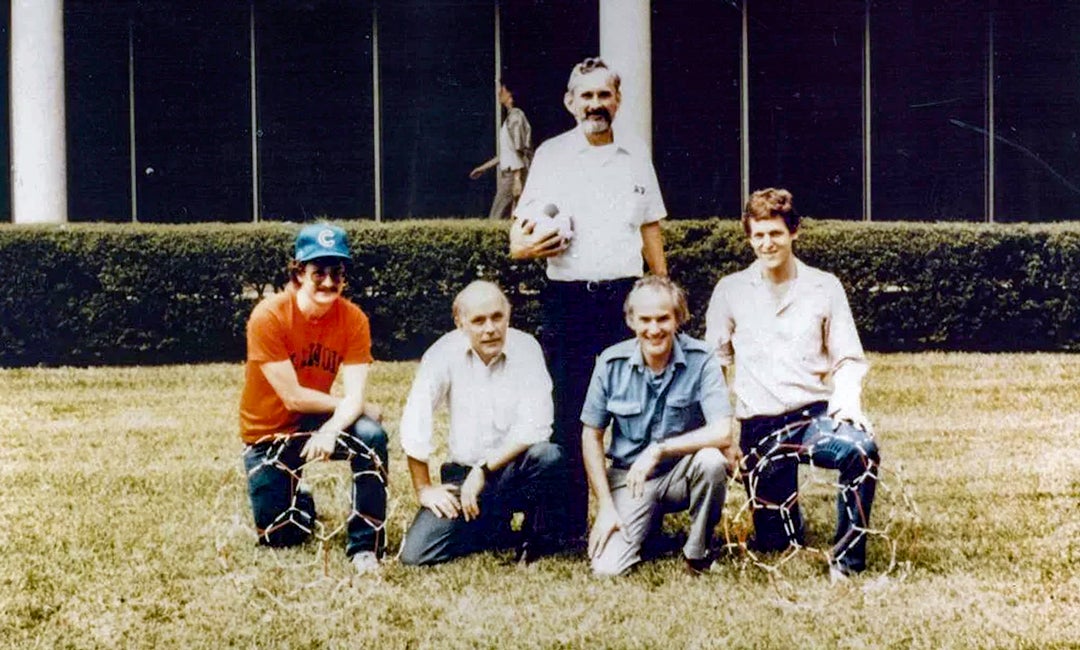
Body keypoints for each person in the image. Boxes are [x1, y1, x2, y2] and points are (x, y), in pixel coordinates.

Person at [508, 57, 668, 544]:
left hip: (624, 297)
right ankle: (565, 523)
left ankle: (638, 515)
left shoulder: (635, 153)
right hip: (568, 299)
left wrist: (662, 287)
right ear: (570, 102)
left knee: (634, 407)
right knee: (571, 408)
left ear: (617, 100)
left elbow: (650, 226)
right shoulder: (551, 155)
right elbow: (519, 235)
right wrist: (528, 246)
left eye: (604, 95)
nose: (596, 104)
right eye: (587, 96)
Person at [704, 188, 881, 580]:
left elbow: (848, 358)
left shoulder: (824, 286)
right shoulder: (730, 290)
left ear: (794, 231)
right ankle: (787, 520)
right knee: (777, 542)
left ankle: (847, 563)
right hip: (760, 428)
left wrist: (848, 404)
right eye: (758, 235)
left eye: (775, 233)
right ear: (749, 238)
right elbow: (713, 367)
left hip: (811, 420)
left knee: (861, 451)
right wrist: (723, 437)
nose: (767, 243)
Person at [239, 223, 389, 575]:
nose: (328, 282)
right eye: (318, 272)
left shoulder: (353, 319)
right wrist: (355, 405)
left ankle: (365, 546)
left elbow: (353, 394)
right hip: (269, 430)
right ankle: (299, 495)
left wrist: (332, 428)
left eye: (336, 273)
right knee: (280, 536)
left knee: (371, 437)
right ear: (298, 274)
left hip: (316, 419)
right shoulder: (269, 316)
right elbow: (292, 398)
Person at [398, 281, 564, 565]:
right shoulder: (443, 353)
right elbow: (416, 419)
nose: (490, 329)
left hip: (513, 471)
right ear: (460, 323)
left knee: (548, 456)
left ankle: (534, 537)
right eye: (478, 321)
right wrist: (424, 488)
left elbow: (537, 425)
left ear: (508, 316)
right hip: (462, 478)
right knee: (417, 554)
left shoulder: (527, 348)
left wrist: (483, 469)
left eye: (497, 317)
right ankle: (489, 526)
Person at [581, 276, 734, 576]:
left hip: (682, 472)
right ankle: (644, 524)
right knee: (608, 568)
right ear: (631, 321)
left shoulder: (702, 359)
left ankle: (697, 553)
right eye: (645, 320)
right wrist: (606, 507)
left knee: (711, 461)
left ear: (678, 318)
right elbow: (591, 436)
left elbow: (723, 431)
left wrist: (659, 450)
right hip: (630, 478)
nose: (654, 329)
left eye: (663, 318)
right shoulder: (611, 363)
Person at [470, 80, 533, 219]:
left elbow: (519, 150)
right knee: (505, 216)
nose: (499, 93)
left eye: (502, 90)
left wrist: (517, 179)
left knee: (496, 216)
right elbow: (507, 154)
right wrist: (483, 168)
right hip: (511, 174)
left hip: (513, 175)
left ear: (510, 94)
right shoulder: (511, 117)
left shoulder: (516, 117)